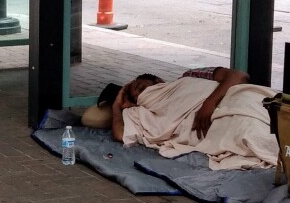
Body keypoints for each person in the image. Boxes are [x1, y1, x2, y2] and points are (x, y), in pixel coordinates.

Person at [102, 67, 278, 170]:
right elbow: (120, 134)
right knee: (248, 131)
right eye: (136, 96)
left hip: (235, 100)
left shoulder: (190, 76)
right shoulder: (142, 112)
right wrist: (117, 106)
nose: (137, 90)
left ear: (158, 80)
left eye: (141, 86)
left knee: (262, 110)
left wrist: (208, 104)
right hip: (220, 124)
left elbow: (239, 76)